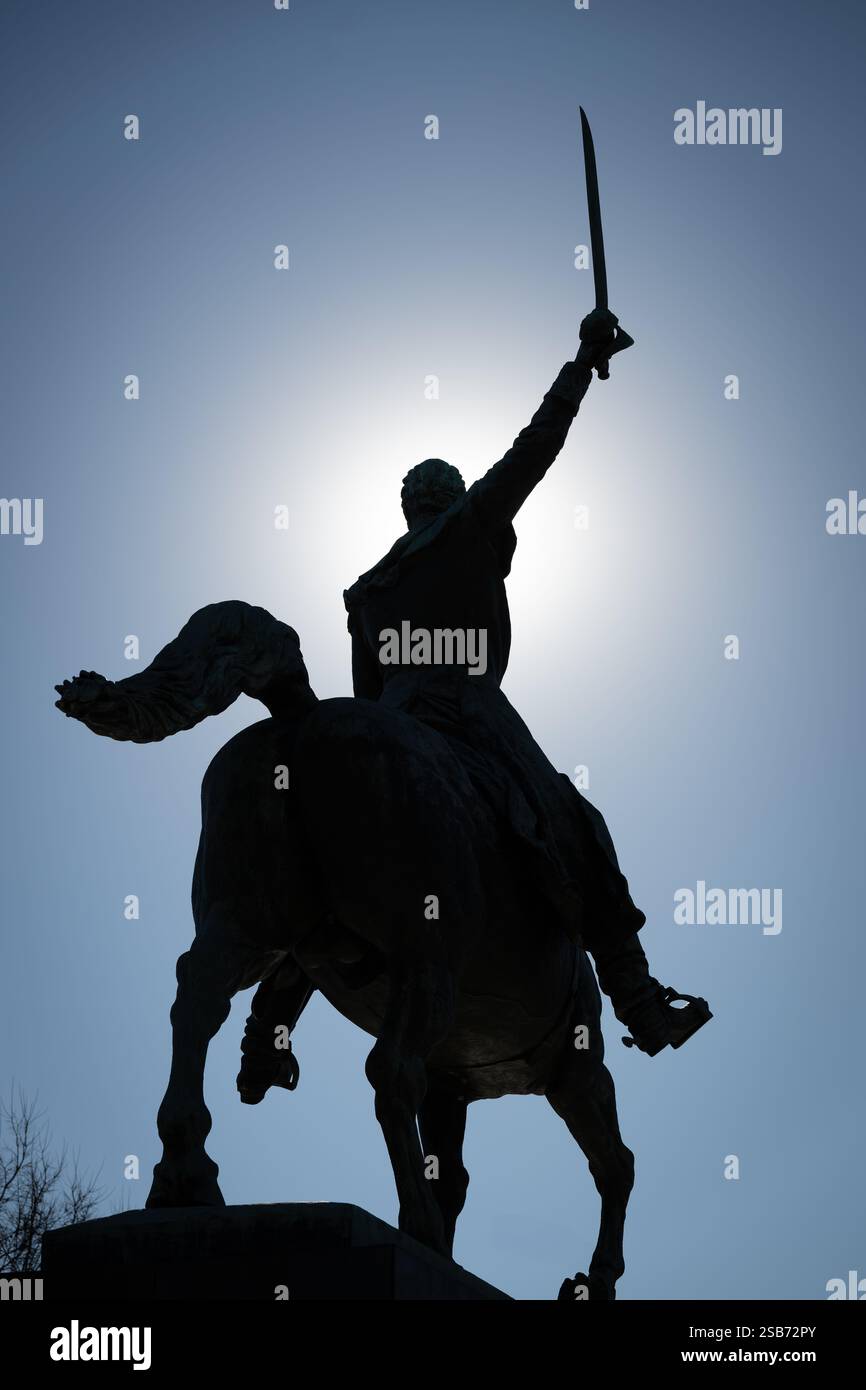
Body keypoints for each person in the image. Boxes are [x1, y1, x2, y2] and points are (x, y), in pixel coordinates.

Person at [343, 310, 708, 1055]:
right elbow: (534, 446)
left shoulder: (368, 589)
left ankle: (268, 1021)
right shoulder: (471, 524)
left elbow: (362, 702)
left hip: (395, 713)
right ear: (448, 497)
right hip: (469, 706)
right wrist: (582, 363)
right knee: (579, 823)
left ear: (407, 506)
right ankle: (637, 999)